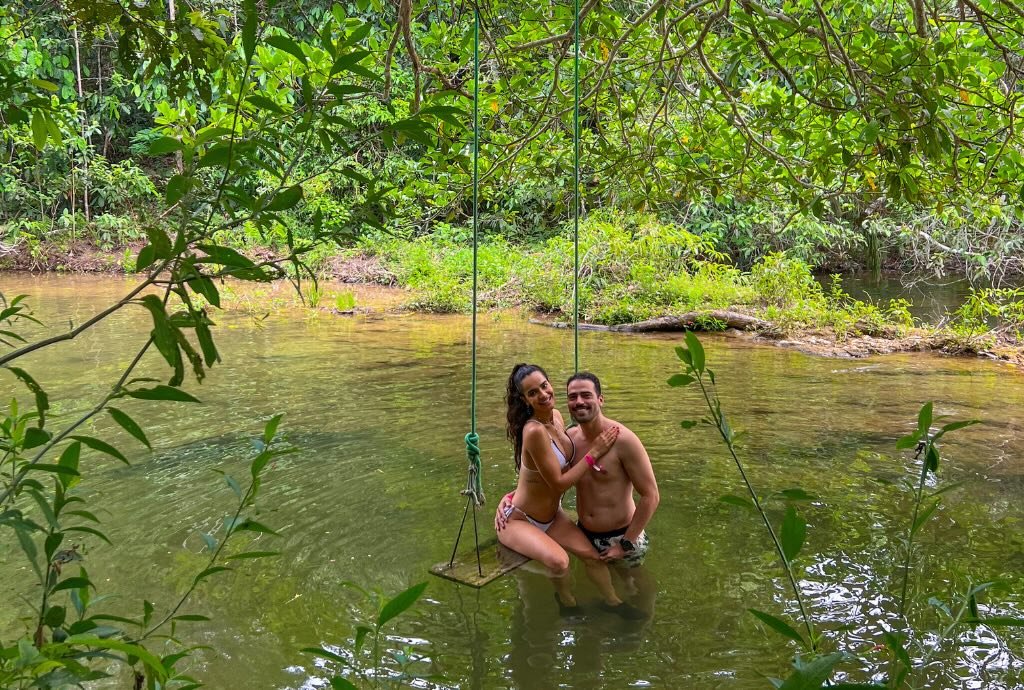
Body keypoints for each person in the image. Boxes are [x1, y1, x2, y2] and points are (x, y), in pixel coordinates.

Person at [498, 363, 643, 618]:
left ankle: (613, 603)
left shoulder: (556, 417)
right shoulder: (533, 431)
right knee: (560, 562)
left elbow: (537, 475)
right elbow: (558, 483)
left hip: (553, 516)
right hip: (520, 519)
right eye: (532, 393)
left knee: (592, 556)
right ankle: (568, 603)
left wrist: (510, 492)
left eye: (544, 386)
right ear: (524, 399)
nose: (542, 395)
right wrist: (594, 452)